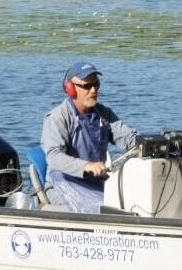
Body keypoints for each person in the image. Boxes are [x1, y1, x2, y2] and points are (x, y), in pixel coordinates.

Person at [41, 61, 138, 213]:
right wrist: (86, 166)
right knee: (110, 209)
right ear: (71, 89)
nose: (93, 90)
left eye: (96, 84)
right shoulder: (57, 117)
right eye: (87, 86)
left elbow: (129, 139)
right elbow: (54, 157)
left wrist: (150, 144)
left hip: (96, 184)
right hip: (62, 184)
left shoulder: (103, 114)